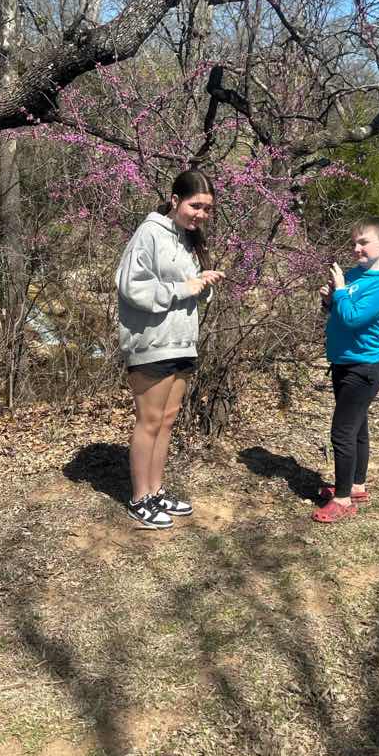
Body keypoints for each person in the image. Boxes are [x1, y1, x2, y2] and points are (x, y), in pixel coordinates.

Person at [116, 169, 224, 529]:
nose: (201, 214)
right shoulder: (149, 233)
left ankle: (155, 491)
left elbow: (187, 287)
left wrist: (202, 283)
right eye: (196, 206)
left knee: (166, 421)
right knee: (149, 422)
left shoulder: (188, 239)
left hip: (181, 342)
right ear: (175, 200)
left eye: (207, 209)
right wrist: (184, 288)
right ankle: (139, 499)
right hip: (151, 344)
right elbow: (132, 287)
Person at [312, 216, 379, 524]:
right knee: (358, 427)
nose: (357, 248)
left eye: (364, 242)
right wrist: (329, 301)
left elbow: (352, 319)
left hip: (364, 367)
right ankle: (356, 486)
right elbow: (339, 313)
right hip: (343, 361)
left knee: (342, 432)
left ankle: (343, 500)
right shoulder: (352, 276)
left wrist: (340, 292)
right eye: (354, 243)